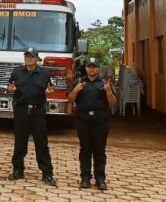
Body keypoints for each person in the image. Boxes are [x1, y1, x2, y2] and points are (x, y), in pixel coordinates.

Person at [6, 47, 57, 186]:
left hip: (37, 112)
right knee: (19, 142)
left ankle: (47, 173)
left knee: (41, 143)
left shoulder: (44, 73)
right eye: (26, 56)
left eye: (31, 56)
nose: (28, 59)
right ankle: (18, 170)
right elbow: (9, 87)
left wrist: (49, 92)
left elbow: (50, 89)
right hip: (21, 110)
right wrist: (10, 89)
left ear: (36, 59)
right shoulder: (17, 72)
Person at [68, 57, 117, 190]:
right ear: (85, 68)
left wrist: (108, 92)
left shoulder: (104, 83)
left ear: (98, 68)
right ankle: (85, 178)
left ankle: (100, 178)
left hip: (100, 119)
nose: (91, 69)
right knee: (85, 149)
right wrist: (76, 90)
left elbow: (113, 103)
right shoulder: (78, 82)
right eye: (89, 66)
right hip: (82, 118)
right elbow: (70, 100)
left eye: (94, 66)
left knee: (99, 150)